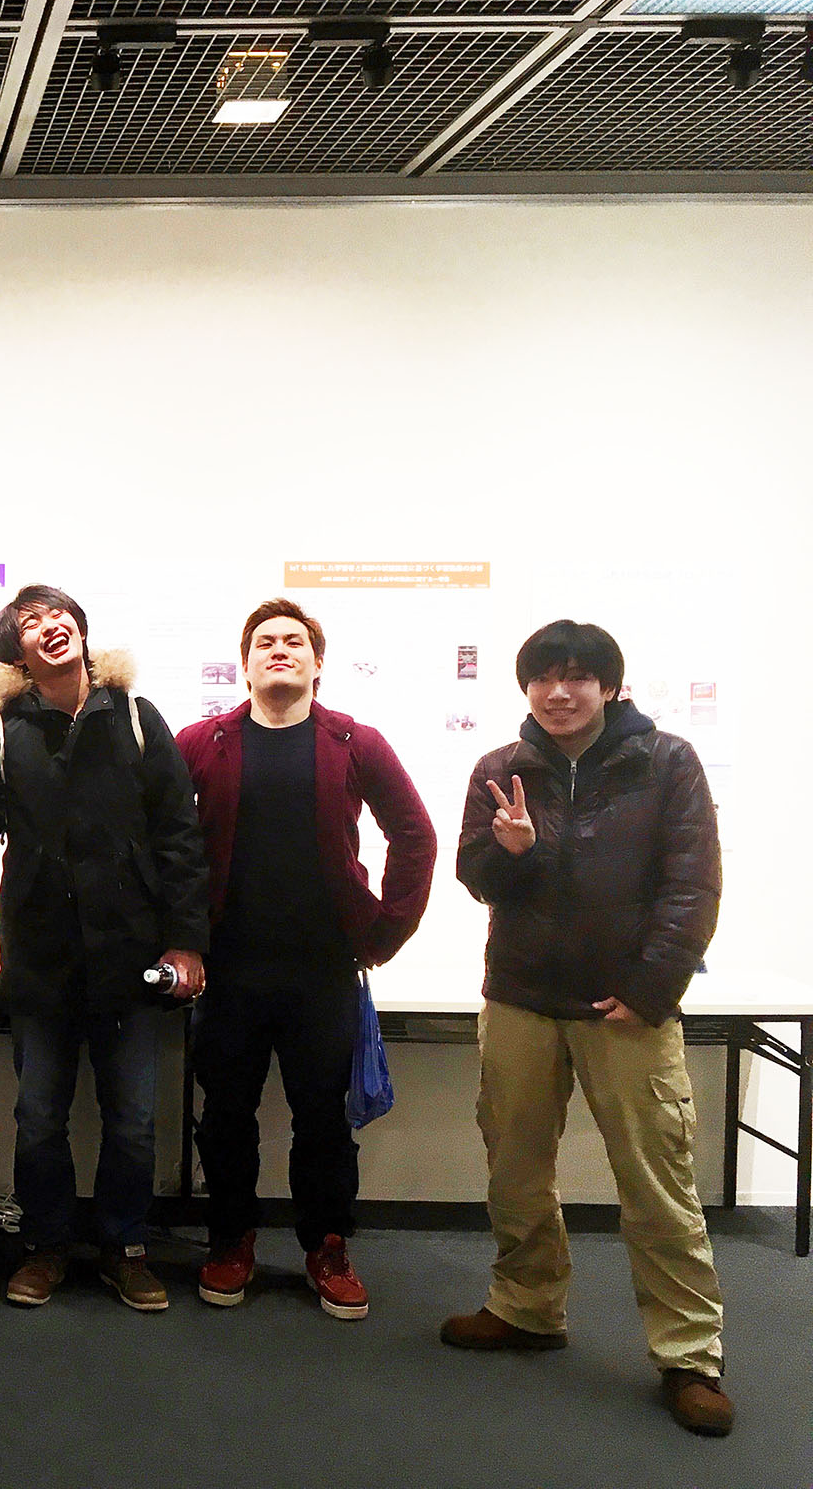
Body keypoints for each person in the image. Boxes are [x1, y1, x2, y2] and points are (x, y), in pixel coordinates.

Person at [443, 621, 732, 1437]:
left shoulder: (666, 762)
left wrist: (651, 987)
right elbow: (475, 876)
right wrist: (515, 852)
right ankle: (526, 1307)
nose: (559, 692)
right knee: (514, 1170)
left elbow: (693, 883)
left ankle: (689, 1355)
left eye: (577, 676)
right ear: (526, 686)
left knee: (657, 1185)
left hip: (626, 1008)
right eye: (544, 676)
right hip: (520, 999)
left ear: (609, 686)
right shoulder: (500, 769)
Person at [176, 597, 435, 1319]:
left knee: (323, 1119)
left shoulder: (356, 743)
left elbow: (414, 834)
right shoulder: (202, 742)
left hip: (321, 970)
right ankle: (230, 1240)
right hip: (228, 968)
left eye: (294, 641)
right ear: (246, 664)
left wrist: (385, 931)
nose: (279, 650)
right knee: (225, 1115)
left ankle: (326, 1246)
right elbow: (160, 842)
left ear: (318, 663)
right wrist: (176, 937)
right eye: (265, 642)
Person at [0, 586, 209, 1310]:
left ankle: (125, 1247)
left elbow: (179, 835)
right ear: (15, 652)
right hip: (39, 960)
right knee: (39, 1117)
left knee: (133, 1120)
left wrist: (186, 942)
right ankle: (44, 1246)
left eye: (57, 614)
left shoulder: (135, 715)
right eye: (30, 622)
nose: (50, 626)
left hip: (130, 957)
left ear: (80, 628)